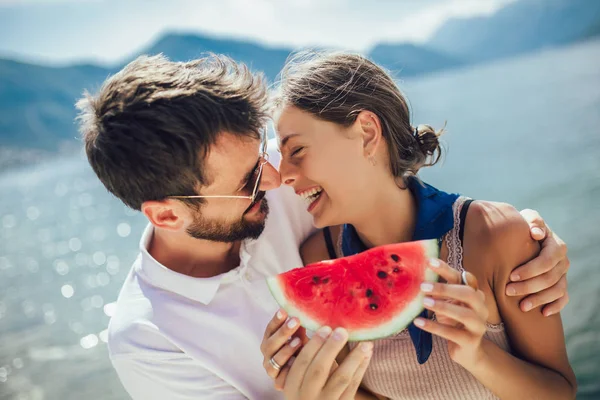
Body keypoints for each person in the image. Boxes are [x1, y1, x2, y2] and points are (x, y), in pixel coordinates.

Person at [76, 54, 572, 400]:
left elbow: (387, 186)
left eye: (269, 154)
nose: (276, 179)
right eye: (251, 180)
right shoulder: (148, 342)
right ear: (168, 215)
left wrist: (527, 233)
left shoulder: (291, 188)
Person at [260, 52, 577, 400]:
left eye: (298, 150)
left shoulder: (495, 235)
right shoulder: (319, 257)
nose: (285, 175)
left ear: (367, 132)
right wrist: (318, 382)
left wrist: (478, 355)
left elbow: (560, 392)